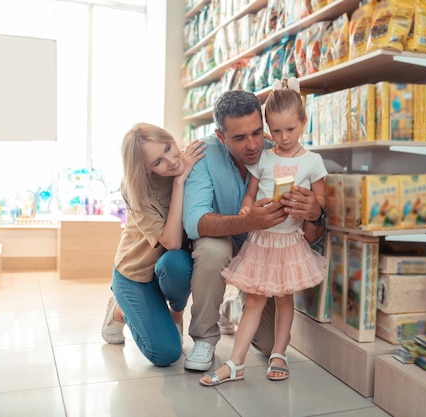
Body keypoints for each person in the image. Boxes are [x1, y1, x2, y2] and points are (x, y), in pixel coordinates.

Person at [182, 89, 326, 373]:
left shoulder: (281, 150)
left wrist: (314, 212)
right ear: (221, 136)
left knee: (268, 340)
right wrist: (247, 220)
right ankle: (205, 338)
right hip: (234, 244)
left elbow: (312, 232)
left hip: (273, 250)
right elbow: (193, 222)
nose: (252, 145)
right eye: (239, 137)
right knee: (214, 248)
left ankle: (233, 307)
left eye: (257, 133)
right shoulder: (204, 154)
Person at [101, 122, 205, 367]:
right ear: (145, 169)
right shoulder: (134, 187)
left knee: (178, 262)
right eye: (158, 161)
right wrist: (179, 183)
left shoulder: (191, 158)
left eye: (169, 147)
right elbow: (171, 241)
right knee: (166, 355)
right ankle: (120, 310)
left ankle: (175, 317)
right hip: (134, 274)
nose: (171, 161)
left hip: (167, 268)